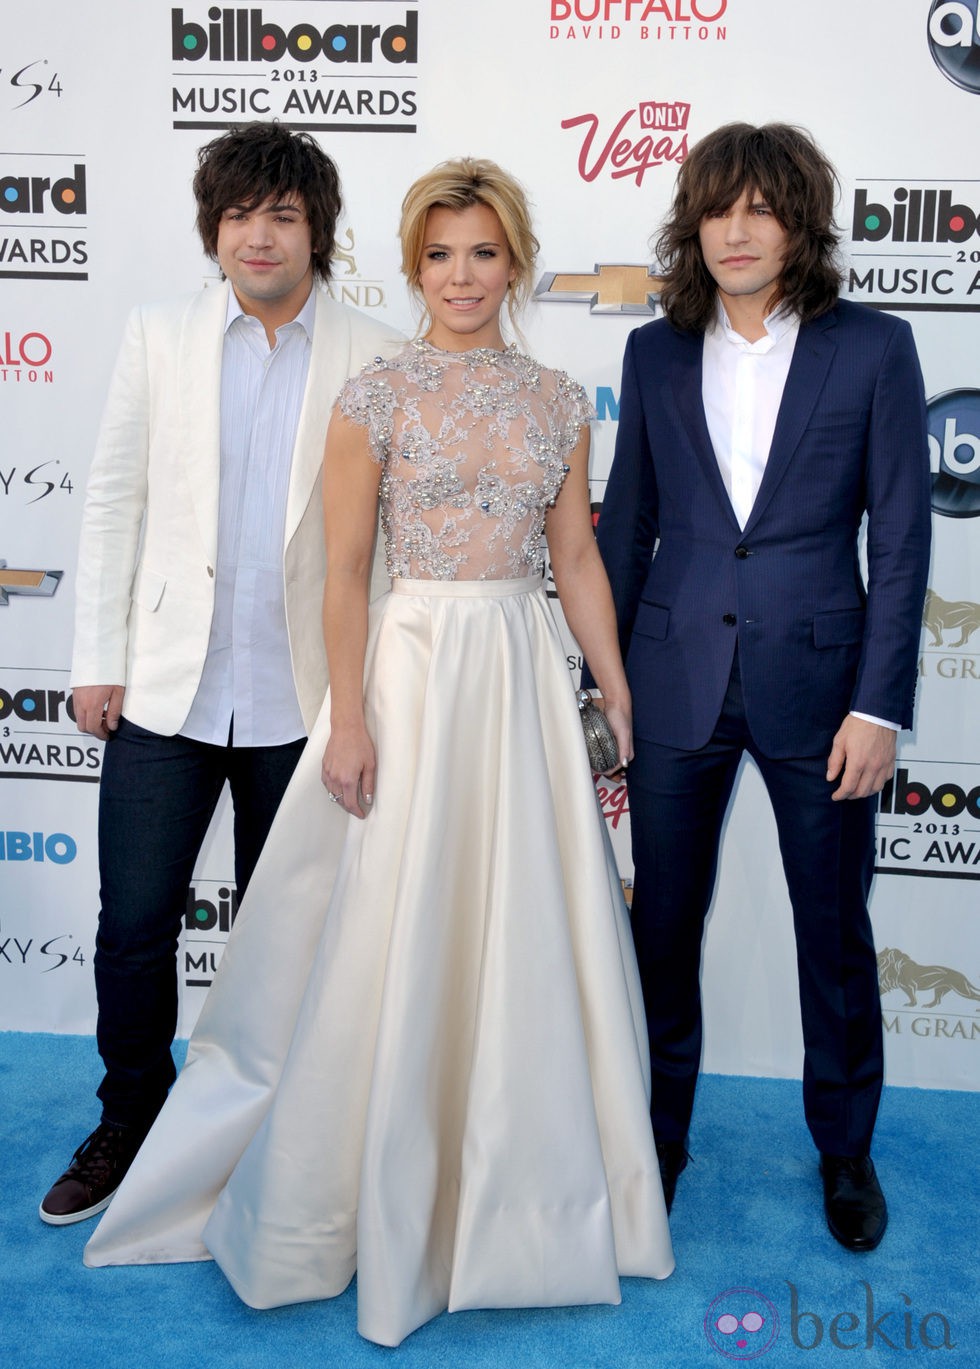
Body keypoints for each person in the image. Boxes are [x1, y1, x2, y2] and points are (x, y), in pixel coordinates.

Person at [81, 157, 674, 1346]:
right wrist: (346, 716)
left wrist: (611, 683)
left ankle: (515, 1190)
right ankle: (279, 1155)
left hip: (512, 676)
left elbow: (575, 561)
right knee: (380, 927)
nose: (462, 276)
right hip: (408, 674)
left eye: (484, 253)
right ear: (412, 267)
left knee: (520, 925)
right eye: (441, 254)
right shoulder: (378, 395)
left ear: (514, 262)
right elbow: (344, 574)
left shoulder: (558, 396)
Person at [40, 122, 401, 1226]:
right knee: (136, 920)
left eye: (283, 215)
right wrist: (99, 658)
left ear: (317, 232)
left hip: (306, 698)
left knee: (284, 932)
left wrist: (367, 701)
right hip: (166, 690)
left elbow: (384, 548)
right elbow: (113, 501)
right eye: (240, 215)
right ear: (215, 230)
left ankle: (269, 1133)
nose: (259, 235)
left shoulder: (376, 353)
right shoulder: (157, 336)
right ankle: (130, 1118)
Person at [586, 122, 931, 1249]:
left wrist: (878, 705)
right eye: (715, 209)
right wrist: (609, 688)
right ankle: (653, 1137)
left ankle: (843, 1150)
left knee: (831, 935)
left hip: (823, 692)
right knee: (660, 929)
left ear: (797, 222)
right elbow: (625, 523)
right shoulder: (652, 352)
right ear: (692, 223)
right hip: (672, 682)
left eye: (760, 209)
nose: (735, 231)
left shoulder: (872, 349)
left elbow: (902, 538)